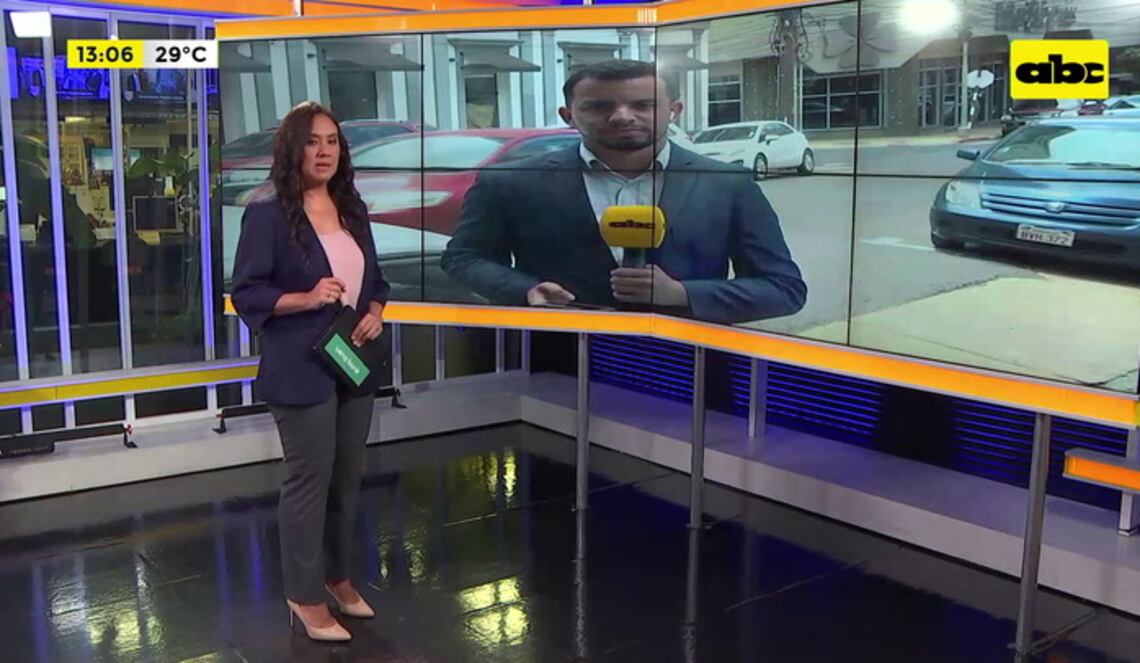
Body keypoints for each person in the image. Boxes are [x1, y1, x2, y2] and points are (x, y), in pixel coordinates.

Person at [440, 59, 806, 325]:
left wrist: (682, 294)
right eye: (599, 106)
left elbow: (784, 289)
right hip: (557, 367)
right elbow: (463, 258)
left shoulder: (728, 183)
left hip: (689, 372)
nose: (622, 116)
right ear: (568, 115)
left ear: (674, 110)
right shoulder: (509, 182)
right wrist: (526, 290)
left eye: (643, 105)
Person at [230, 101, 389, 642]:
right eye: (312, 142)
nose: (324, 152)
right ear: (292, 150)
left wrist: (374, 312)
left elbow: (377, 282)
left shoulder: (352, 207)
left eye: (332, 142)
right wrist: (305, 297)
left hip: (352, 361)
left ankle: (337, 577)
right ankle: (303, 595)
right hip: (299, 366)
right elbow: (247, 292)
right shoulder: (267, 212)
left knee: (346, 480)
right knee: (309, 482)